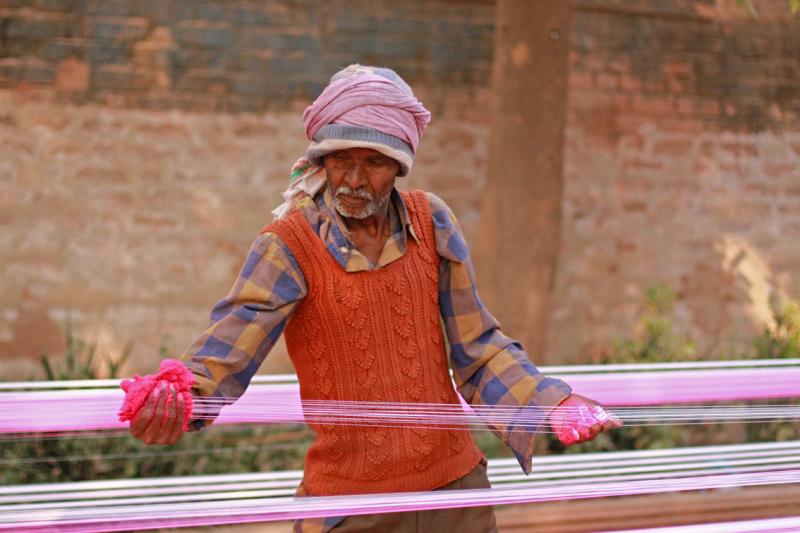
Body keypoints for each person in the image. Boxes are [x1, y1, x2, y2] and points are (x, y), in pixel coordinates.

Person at [128, 64, 621, 532]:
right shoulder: (288, 245)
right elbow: (229, 345)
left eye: (375, 162)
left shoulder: (432, 222)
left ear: (400, 166)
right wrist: (180, 397)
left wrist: (548, 404)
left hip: (455, 499)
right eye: (340, 160)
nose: (354, 179)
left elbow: (478, 348)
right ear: (321, 160)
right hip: (352, 508)